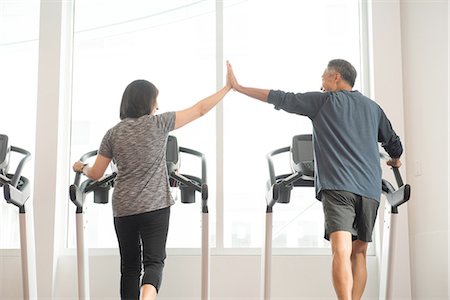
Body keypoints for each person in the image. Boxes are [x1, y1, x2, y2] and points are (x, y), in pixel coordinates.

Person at [226, 59, 403, 300]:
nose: (321, 83)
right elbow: (394, 143)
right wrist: (395, 160)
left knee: (340, 249)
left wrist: (239, 87)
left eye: (323, 77)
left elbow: (281, 98)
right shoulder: (373, 108)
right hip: (370, 189)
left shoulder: (322, 102)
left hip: (338, 186)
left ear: (336, 77)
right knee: (359, 252)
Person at [73, 68, 231, 300]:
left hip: (124, 209)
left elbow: (96, 173)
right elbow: (200, 109)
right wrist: (227, 88)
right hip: (155, 207)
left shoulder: (112, 134)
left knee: (129, 269)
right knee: (154, 263)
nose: (157, 106)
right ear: (147, 102)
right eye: (155, 100)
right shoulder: (159, 123)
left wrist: (81, 167)